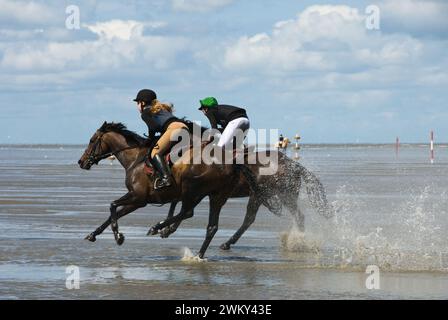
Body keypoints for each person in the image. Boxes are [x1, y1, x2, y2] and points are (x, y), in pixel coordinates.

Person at [134, 89, 188, 189]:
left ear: (142, 103)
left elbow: (153, 127)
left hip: (173, 129)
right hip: (184, 127)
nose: (137, 106)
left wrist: (149, 140)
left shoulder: (145, 112)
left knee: (155, 152)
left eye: (137, 102)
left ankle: (166, 178)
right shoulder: (161, 108)